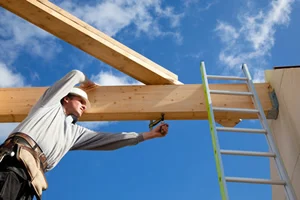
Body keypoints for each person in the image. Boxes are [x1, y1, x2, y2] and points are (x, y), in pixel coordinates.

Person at [0, 70, 169, 200]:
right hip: (13, 165)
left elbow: (110, 140)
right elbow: (76, 74)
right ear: (65, 98)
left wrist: (148, 135)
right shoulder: (48, 106)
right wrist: (87, 83)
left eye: (85, 104)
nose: (84, 106)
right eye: (81, 101)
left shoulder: (74, 133)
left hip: (30, 182)